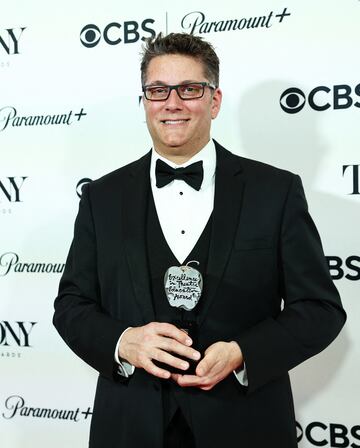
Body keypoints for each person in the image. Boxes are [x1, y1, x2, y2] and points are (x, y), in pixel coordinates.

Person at [53, 33, 346, 448]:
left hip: (246, 425)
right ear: (145, 103)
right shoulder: (102, 197)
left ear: (215, 100)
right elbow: (71, 306)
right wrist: (124, 342)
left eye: (189, 89)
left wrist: (243, 351)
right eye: (158, 90)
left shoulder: (275, 191)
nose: (172, 103)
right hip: (130, 427)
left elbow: (320, 309)